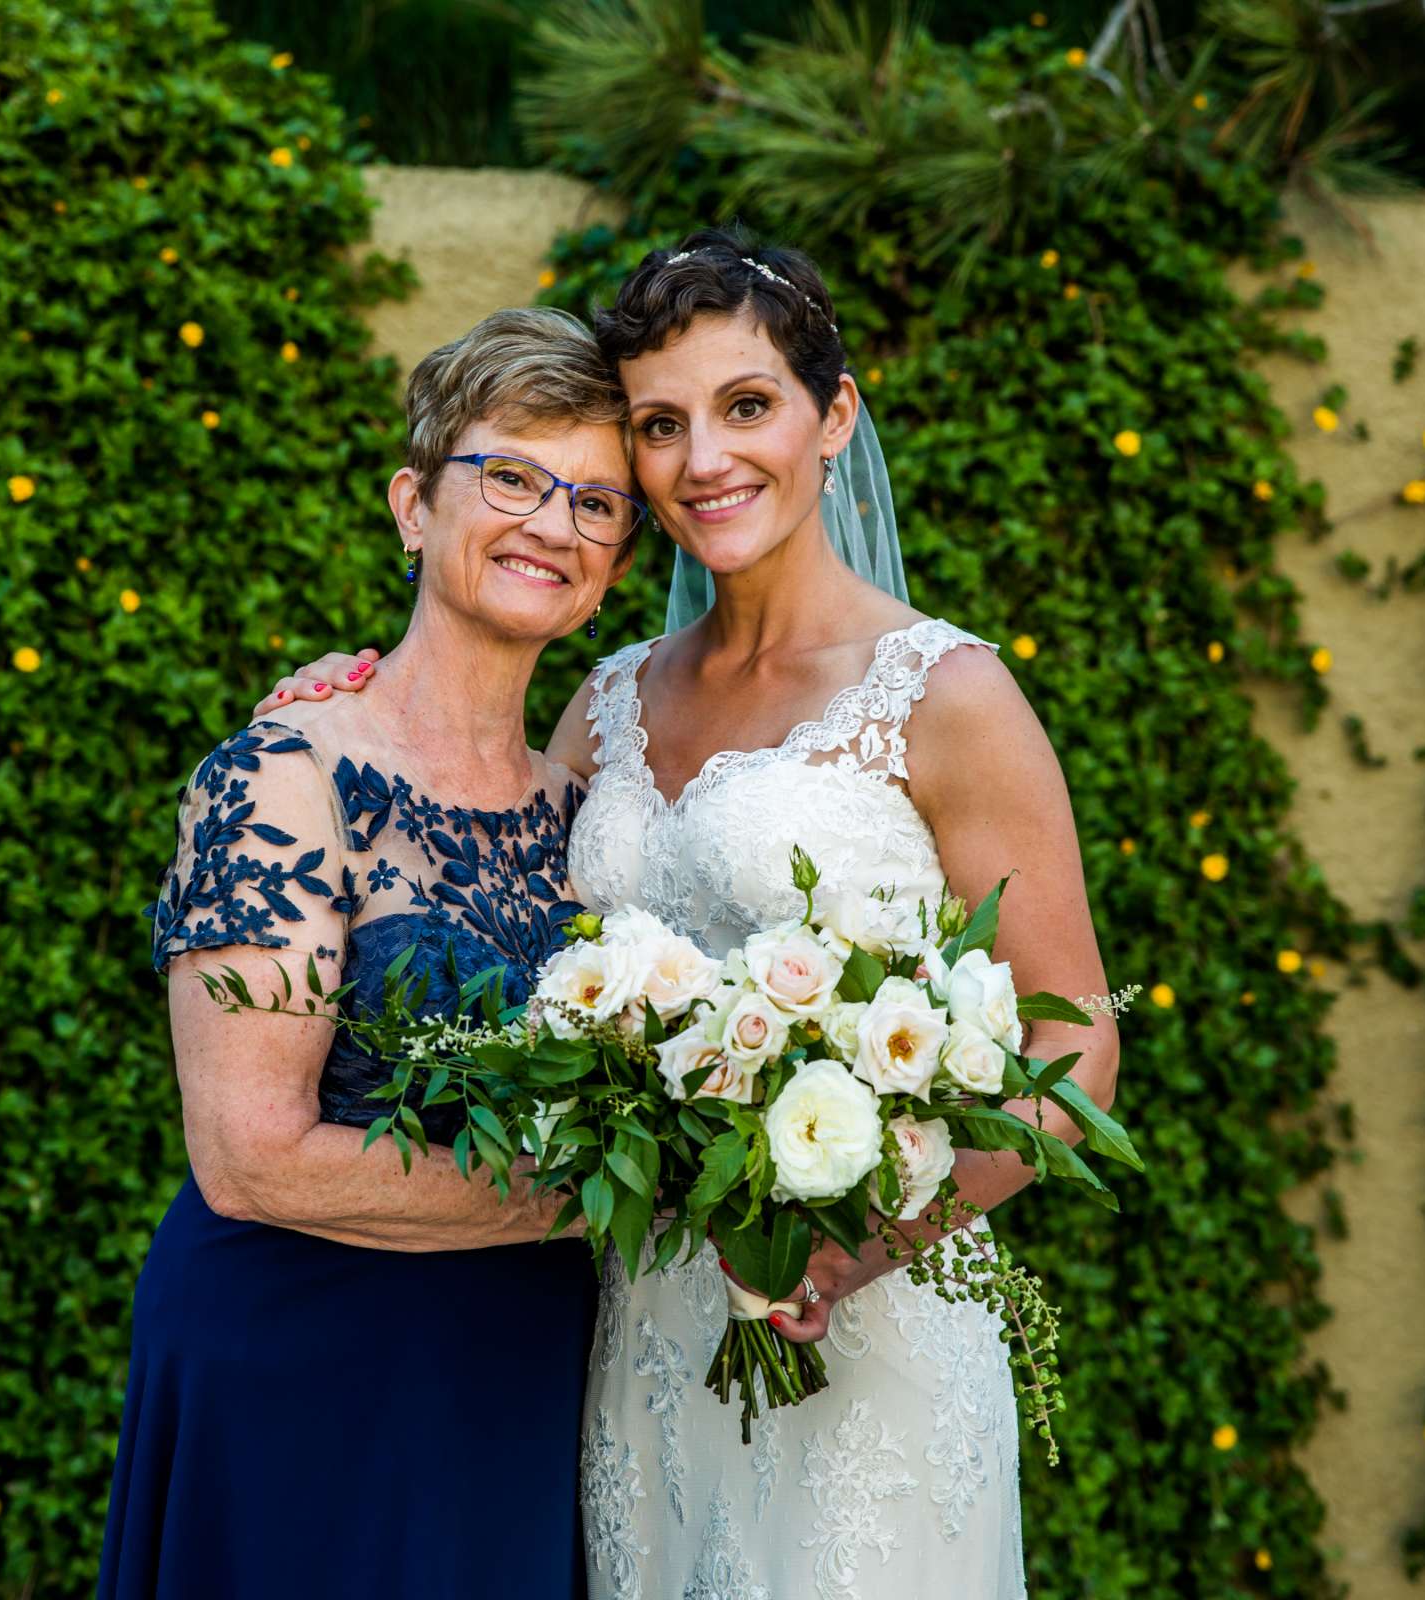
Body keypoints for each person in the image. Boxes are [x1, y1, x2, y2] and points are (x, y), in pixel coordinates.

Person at [258, 227, 1120, 1599]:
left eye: (747, 406)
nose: (705, 459)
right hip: (643, 1331)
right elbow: (472, 850)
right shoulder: (607, 702)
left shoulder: (951, 699)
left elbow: (1075, 1057)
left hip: (862, 1339)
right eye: (661, 425)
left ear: (834, 415)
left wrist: (849, 1254)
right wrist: (340, 712)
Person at [98, 307, 645, 1600]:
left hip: (518, 1377)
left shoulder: (593, 818)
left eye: (599, 502)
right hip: (302, 1367)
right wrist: (626, 1199)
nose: (553, 523)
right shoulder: (283, 779)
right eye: (510, 475)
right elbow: (249, 1155)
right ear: (414, 505)